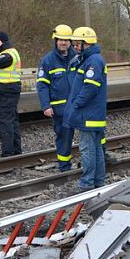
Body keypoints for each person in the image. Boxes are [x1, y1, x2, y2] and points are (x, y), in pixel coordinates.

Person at [65, 26, 107, 189]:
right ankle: (97, 182)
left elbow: (90, 87)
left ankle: (87, 183)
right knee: (95, 148)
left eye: (77, 44)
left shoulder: (93, 61)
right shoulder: (89, 59)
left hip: (88, 115)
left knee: (87, 149)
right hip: (91, 114)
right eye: (74, 44)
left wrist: (76, 104)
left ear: (86, 44)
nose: (75, 47)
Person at [37, 24, 76, 171]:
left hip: (78, 106)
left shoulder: (78, 57)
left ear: (70, 41)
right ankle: (65, 166)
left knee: (90, 134)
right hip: (60, 109)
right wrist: (46, 105)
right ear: (56, 41)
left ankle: (95, 160)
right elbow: (42, 85)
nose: (63, 42)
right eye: (60, 39)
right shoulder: (48, 60)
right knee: (64, 137)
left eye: (66, 40)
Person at [0, 30, 22, 157]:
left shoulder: (8, 54)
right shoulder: (7, 53)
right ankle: (16, 150)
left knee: (4, 122)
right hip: (7, 91)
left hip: (6, 92)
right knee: (11, 121)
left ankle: (8, 153)